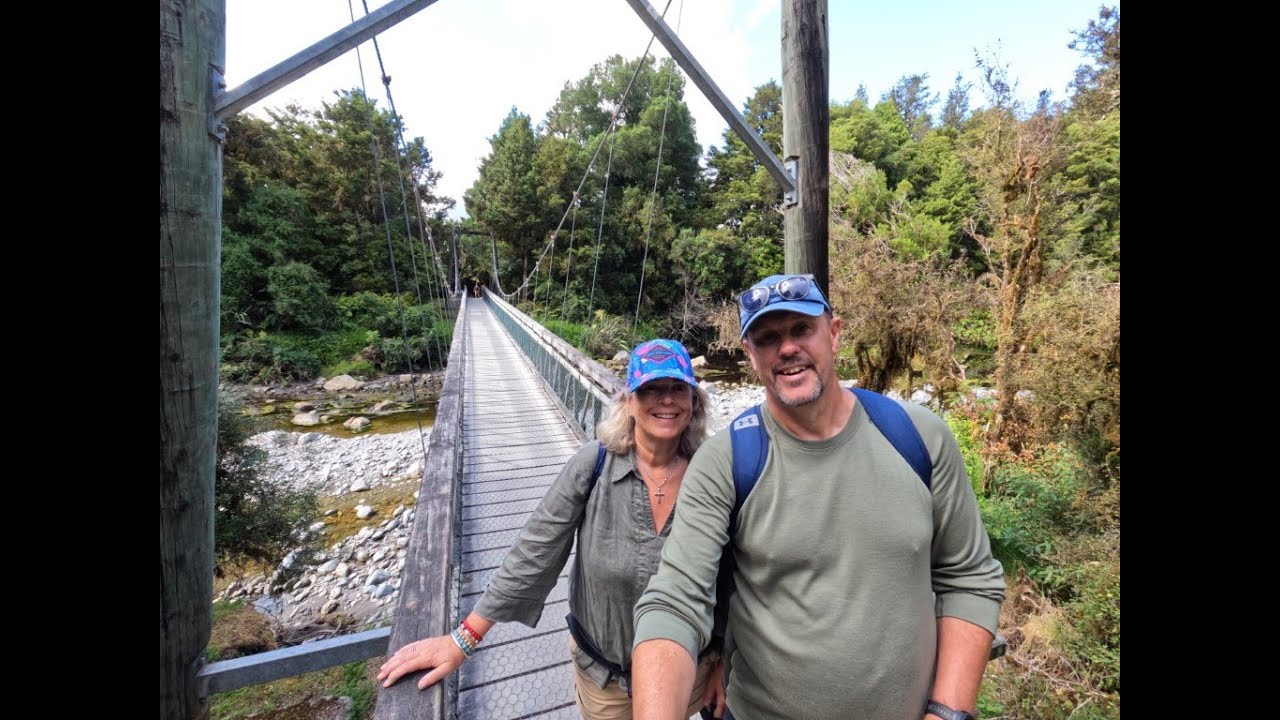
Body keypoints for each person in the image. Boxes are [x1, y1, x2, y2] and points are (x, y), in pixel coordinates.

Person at [630, 275, 1006, 720]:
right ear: (751, 356)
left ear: (835, 332)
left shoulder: (918, 437)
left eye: (802, 329)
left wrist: (948, 712)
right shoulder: (725, 462)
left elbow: (968, 577)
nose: (787, 348)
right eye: (768, 338)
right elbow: (676, 599)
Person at [378, 338, 727, 720]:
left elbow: (728, 576)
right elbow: (535, 549)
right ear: (629, 401)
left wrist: (725, 662)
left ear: (694, 401)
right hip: (606, 680)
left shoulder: (709, 473)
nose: (666, 400)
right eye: (651, 389)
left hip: (690, 671)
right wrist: (462, 640)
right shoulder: (593, 465)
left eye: (679, 388)